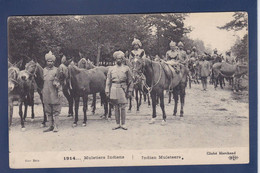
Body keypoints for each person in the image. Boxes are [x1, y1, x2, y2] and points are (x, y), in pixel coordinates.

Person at [105, 51, 133, 130]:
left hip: (123, 88)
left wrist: (130, 90)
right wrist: (107, 90)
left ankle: (123, 124)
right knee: (116, 106)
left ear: (123, 59)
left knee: (123, 106)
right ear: (115, 59)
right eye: (117, 59)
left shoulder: (126, 68)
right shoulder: (111, 69)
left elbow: (130, 81)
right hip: (114, 88)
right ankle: (117, 123)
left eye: (120, 58)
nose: (119, 60)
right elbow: (108, 80)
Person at [42, 51, 63, 132]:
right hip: (46, 93)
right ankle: (50, 126)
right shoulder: (44, 70)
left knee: (56, 110)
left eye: (51, 61)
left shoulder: (57, 70)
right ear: (46, 62)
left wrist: (60, 91)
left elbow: (60, 82)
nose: (49, 63)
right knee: (48, 111)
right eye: (48, 61)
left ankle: (56, 126)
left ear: (53, 62)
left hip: (54, 92)